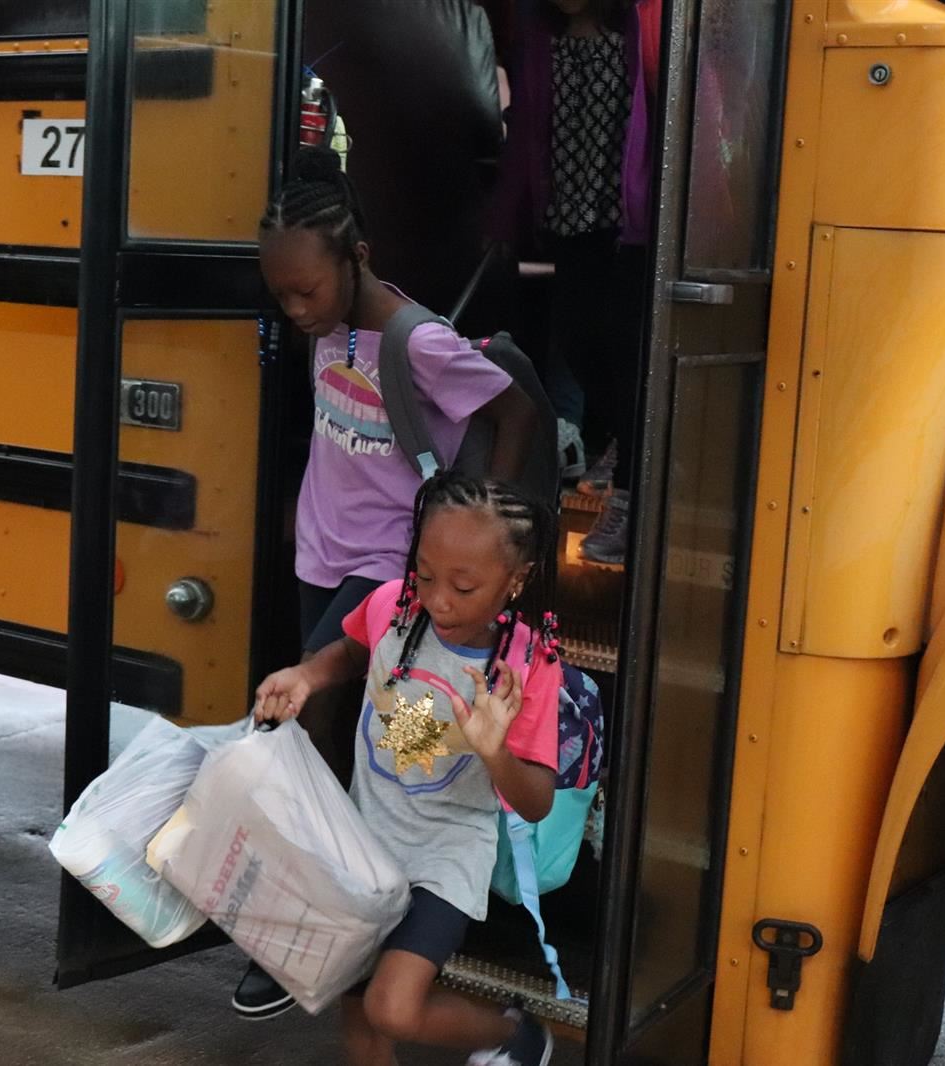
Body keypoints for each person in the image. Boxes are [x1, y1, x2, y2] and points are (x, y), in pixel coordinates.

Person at [238, 146, 539, 1020]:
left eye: (308, 292)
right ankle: (366, 910)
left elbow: (512, 409)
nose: (295, 310)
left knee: (323, 719)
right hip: (320, 551)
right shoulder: (330, 328)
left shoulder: (419, 341)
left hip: (385, 566)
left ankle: (309, 931)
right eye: (281, 294)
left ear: (356, 259)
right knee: (346, 740)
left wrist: (483, 516)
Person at [254, 471, 563, 1066]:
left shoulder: (526, 667)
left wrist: (493, 749)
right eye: (424, 574)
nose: (438, 599)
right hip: (362, 841)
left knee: (391, 1008)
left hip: (444, 857)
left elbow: (536, 802)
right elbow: (351, 649)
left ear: (516, 580)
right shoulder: (391, 604)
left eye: (464, 587)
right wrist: (306, 676)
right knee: (359, 1019)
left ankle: (512, 1036)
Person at [490, 0, 661, 561]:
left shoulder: (643, 31)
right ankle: (621, 439)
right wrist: (507, 220)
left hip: (628, 222)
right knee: (579, 344)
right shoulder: (540, 43)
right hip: (570, 219)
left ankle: (632, 497)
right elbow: (526, 135)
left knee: (624, 351)